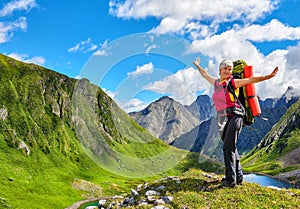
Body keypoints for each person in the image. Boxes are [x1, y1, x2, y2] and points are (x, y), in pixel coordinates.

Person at [192, 57, 278, 187]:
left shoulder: (233, 82)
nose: (227, 71)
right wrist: (198, 65)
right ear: (220, 70)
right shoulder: (216, 83)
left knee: (228, 148)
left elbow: (250, 80)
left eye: (230, 69)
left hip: (236, 115)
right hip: (223, 117)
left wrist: (268, 76)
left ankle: (230, 181)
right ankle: (238, 177)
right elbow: (205, 74)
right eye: (225, 68)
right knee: (231, 146)